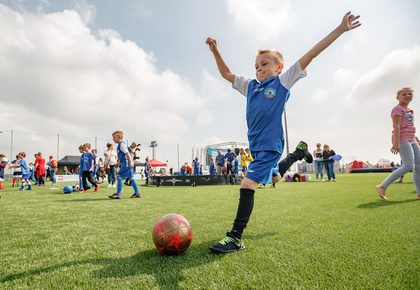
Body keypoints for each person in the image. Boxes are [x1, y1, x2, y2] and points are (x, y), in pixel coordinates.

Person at [206, 11, 361, 253]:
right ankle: (298, 153)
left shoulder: (282, 82)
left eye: (265, 64)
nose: (259, 69)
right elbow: (226, 74)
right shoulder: (250, 87)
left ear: (279, 68)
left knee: (247, 184)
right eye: (256, 66)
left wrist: (340, 30)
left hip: (270, 145)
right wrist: (215, 51)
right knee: (276, 177)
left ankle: (235, 237)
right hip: (258, 148)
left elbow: (311, 54)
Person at [376, 88, 420, 200]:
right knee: (408, 165)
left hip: (412, 139)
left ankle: (419, 193)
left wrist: (416, 140)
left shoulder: (410, 111)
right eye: (404, 94)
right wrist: (396, 143)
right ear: (398, 97)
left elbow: (409, 127)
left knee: (418, 166)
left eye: (410, 94)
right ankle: (382, 186)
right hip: (402, 139)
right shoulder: (397, 109)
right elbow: (396, 126)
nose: (408, 95)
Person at [108, 130, 141, 199]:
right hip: (126, 163)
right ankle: (137, 193)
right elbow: (124, 156)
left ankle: (118, 194)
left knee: (119, 176)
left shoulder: (122, 144)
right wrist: (119, 163)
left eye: (114, 137)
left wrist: (131, 161)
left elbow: (127, 153)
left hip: (126, 163)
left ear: (119, 137)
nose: (113, 139)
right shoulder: (121, 144)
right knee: (132, 178)